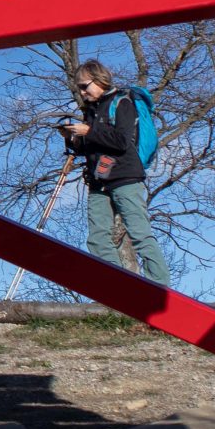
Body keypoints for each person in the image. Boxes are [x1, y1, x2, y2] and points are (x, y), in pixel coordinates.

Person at [58, 59, 170, 286]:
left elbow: (121, 142)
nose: (81, 91)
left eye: (84, 85)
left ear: (100, 80)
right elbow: (92, 145)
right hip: (99, 181)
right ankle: (117, 287)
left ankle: (160, 287)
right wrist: (72, 138)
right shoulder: (92, 110)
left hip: (126, 177)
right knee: (98, 238)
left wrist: (89, 130)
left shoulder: (122, 102)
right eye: (79, 87)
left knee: (139, 234)